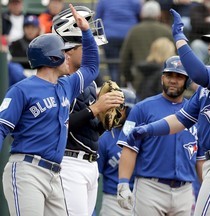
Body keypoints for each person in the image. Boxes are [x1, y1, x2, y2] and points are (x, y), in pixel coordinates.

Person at [126, 9, 210, 216]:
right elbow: (180, 120)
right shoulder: (208, 89)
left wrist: (179, 39)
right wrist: (148, 129)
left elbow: (197, 73)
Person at [0, 4, 100, 215]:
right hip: (27, 169)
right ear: (52, 57)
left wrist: (86, 32)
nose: (68, 56)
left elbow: (92, 67)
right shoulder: (21, 90)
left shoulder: (66, 86)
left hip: (54, 173)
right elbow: (1, 127)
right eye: (63, 52)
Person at [51, 6, 124, 216]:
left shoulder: (89, 83)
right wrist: (94, 109)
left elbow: (89, 130)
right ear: (68, 49)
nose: (93, 50)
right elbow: (58, 125)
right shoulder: (58, 81)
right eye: (86, 45)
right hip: (68, 161)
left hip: (89, 163)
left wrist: (105, 120)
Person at [117, 56, 203, 215]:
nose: (173, 80)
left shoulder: (195, 112)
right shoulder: (142, 108)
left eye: (179, 77)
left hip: (185, 190)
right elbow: (129, 148)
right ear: (162, 77)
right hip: (151, 188)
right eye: (170, 75)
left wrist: (206, 189)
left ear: (187, 81)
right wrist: (123, 183)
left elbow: (201, 157)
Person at [97, 88, 137, 216]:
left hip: (140, 197)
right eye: (115, 107)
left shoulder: (142, 135)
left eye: (121, 108)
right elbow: (95, 175)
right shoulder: (105, 138)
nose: (117, 112)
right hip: (113, 201)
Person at [120, 0, 173, 91]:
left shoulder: (134, 31)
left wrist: (129, 78)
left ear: (142, 14)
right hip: (164, 81)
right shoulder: (167, 31)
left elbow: (125, 58)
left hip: (139, 80)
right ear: (158, 14)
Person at [95, 0, 141, 84]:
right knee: (129, 64)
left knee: (113, 66)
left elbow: (98, 20)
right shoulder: (134, 1)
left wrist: (101, 36)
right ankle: (128, 85)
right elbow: (139, 17)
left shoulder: (104, 1)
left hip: (110, 36)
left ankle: (116, 88)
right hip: (129, 35)